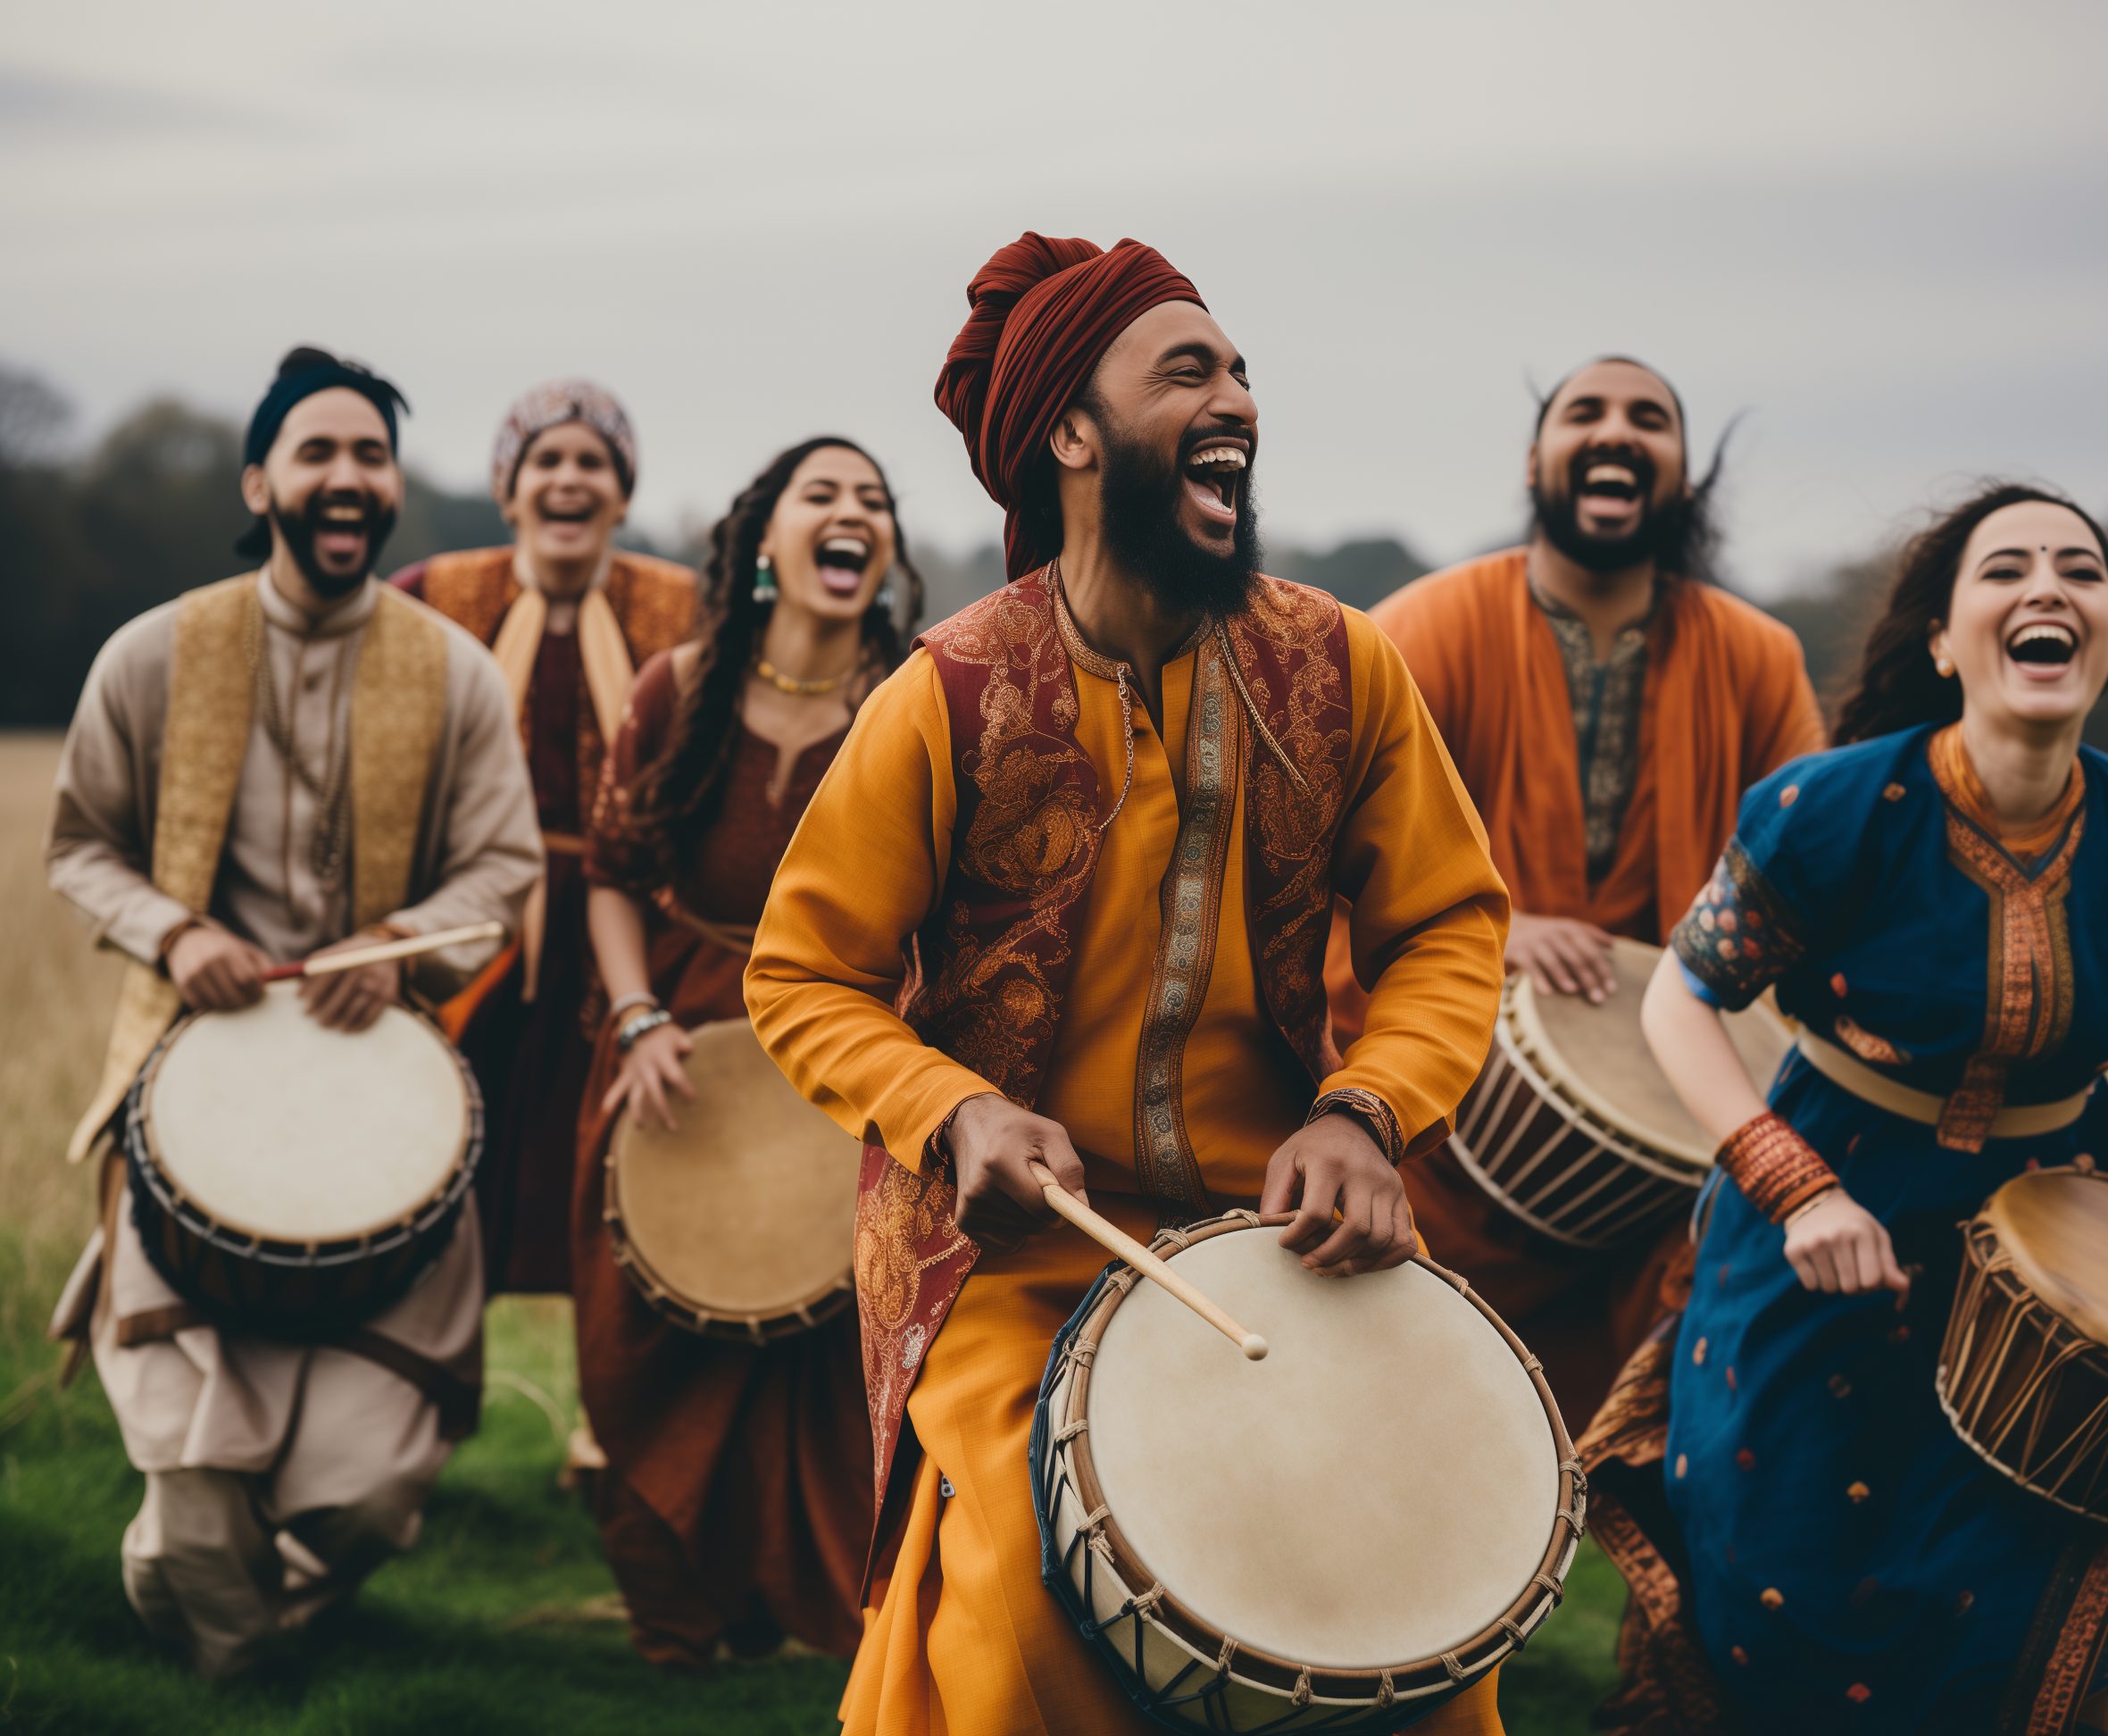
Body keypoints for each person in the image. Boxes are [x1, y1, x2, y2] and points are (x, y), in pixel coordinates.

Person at [745, 232, 1511, 1734]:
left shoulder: (1342, 666)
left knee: (1414, 1607)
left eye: (1242, 372)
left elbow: (1445, 925)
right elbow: (805, 972)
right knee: (1029, 1613)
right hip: (1018, 1257)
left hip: (1291, 1238)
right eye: (1188, 371)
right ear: (1073, 435)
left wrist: (1364, 1111)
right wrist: (955, 1109)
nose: (1237, 399)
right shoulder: (948, 691)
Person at [1581, 483, 2108, 1732]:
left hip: (2057, 1261)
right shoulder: (1826, 809)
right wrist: (1794, 1188)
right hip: (1812, 1219)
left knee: (2004, 1596)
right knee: (1775, 1573)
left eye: (2079, 570)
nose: (2046, 586)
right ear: (1944, 641)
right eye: (2004, 568)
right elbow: (1680, 1000)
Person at [44, 346, 543, 1679]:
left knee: (367, 1495)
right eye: (317, 451)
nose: (348, 476)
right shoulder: (153, 654)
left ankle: (248, 1622)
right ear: (260, 483)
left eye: (371, 454)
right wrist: (176, 931)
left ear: (392, 489)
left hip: (382, 1095)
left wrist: (394, 947)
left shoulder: (454, 675)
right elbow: (81, 846)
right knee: (195, 1493)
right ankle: (245, 1660)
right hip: (185, 1093)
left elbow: (504, 872)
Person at [1327, 355, 1825, 1421]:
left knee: (1705, 1401)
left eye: (1649, 418)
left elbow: (1812, 880)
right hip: (1443, 1132)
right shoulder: (1424, 628)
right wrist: (1489, 931)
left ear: (1681, 475)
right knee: (1401, 1410)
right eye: (1584, 412)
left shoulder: (1757, 658)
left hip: (1679, 1135)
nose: (1615, 432)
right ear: (1535, 461)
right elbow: (1321, 857)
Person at [571, 436, 921, 1668]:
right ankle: (681, 1605)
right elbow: (611, 878)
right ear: (765, 539)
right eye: (820, 493)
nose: (851, 511)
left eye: (872, 499)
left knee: (825, 1358)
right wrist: (634, 1018)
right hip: (671, 1040)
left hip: (848, 1051)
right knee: (644, 1339)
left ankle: (818, 1606)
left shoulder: (910, 702)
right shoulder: (675, 690)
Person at [391, 380, 696, 1295]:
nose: (569, 479)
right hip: (472, 919)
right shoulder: (430, 596)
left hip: (627, 919)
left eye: (592, 462)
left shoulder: (685, 608)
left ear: (622, 493)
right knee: (445, 1149)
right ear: (508, 489)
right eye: (547, 460)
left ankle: (610, 1369)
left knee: (623, 1163)